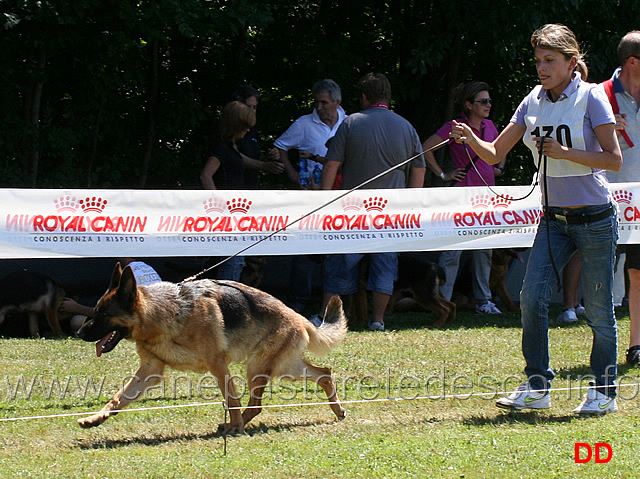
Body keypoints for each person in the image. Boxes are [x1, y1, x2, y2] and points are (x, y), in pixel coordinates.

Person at [450, 24, 622, 414]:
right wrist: (468, 137)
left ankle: (604, 392)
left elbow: (613, 159)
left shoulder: (592, 97)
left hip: (594, 218)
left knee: (598, 307)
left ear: (571, 62)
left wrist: (563, 152)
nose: (541, 68)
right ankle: (537, 385)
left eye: (549, 60)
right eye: (538, 61)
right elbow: (494, 153)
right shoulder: (532, 100)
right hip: (552, 220)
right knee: (531, 297)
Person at [317, 72, 426, 331]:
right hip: (390, 212)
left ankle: (326, 317)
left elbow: (332, 164)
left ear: (364, 97)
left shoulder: (351, 123)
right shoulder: (406, 126)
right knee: (385, 264)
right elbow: (419, 169)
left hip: (350, 210)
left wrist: (323, 199)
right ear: (387, 97)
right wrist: (409, 203)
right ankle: (378, 320)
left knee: (340, 263)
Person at [423, 81, 507, 314]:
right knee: (453, 250)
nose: (488, 105)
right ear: (469, 104)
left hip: (487, 196)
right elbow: (426, 148)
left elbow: (501, 151)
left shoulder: (490, 126)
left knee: (485, 250)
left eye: (489, 101)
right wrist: (443, 173)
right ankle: (442, 301)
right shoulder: (455, 127)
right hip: (461, 195)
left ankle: (483, 301)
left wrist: (499, 168)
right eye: (483, 101)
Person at [273, 79, 347, 313]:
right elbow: (280, 146)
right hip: (309, 199)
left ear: (337, 102)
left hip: (340, 198)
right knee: (305, 251)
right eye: (316, 102)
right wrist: (292, 172)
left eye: (324, 102)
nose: (319, 106)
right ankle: (297, 303)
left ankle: (335, 303)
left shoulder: (349, 122)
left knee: (336, 253)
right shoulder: (304, 123)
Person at [200, 100, 283, 281]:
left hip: (237, 212)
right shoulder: (221, 147)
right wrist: (219, 205)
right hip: (227, 214)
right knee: (232, 260)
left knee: (236, 259)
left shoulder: (232, 147)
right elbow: (206, 175)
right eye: (245, 127)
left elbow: (240, 160)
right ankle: (227, 298)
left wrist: (264, 165)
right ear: (235, 125)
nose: (247, 131)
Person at [603, 30, 640, 366]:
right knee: (600, 277)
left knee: (639, 274)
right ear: (632, 62)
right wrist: (600, 129)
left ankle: (636, 346)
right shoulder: (600, 96)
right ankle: (602, 350)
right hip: (606, 202)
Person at [230, 85, 281, 287]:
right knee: (238, 256)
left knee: (255, 255)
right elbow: (231, 157)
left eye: (255, 108)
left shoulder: (251, 131)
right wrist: (264, 165)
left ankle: (252, 293)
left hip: (252, 197)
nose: (253, 112)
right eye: (249, 107)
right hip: (233, 199)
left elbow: (250, 157)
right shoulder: (228, 131)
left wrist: (267, 157)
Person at [61, 258, 162, 331]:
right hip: (155, 318)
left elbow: (110, 313)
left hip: (139, 321)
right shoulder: (146, 268)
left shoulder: (127, 274)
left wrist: (76, 307)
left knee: (76, 321)